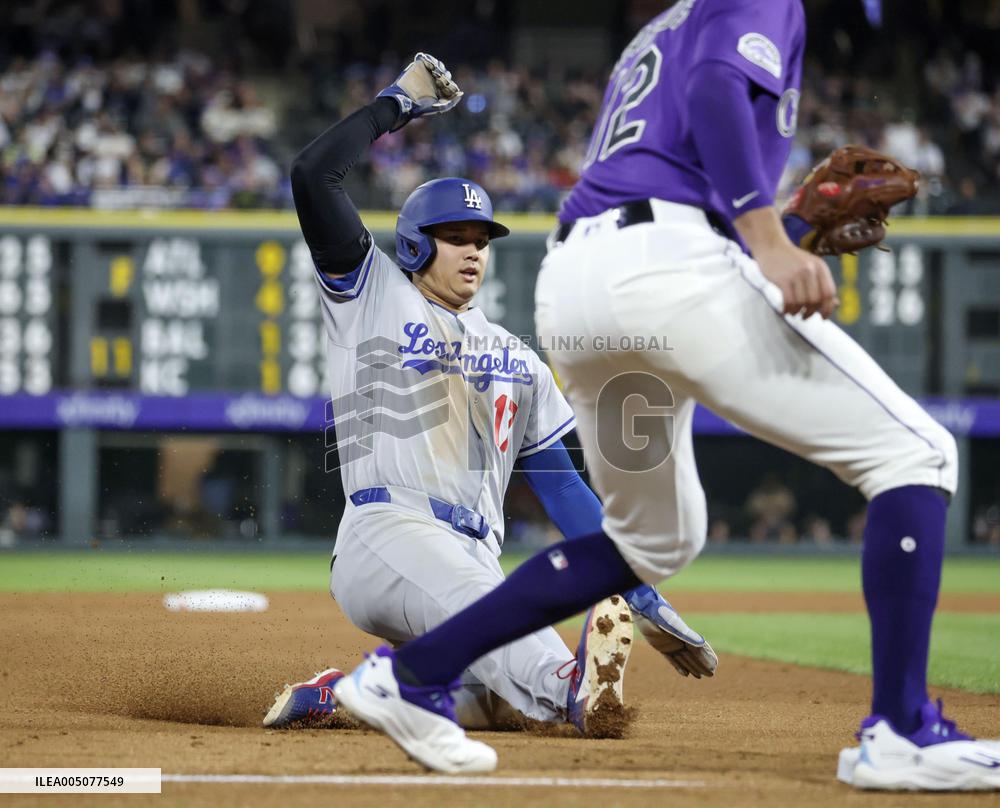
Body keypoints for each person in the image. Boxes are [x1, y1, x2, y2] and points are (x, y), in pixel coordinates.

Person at [332, 7, 1000, 790]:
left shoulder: (663, 26)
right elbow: (717, 92)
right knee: (916, 453)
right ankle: (902, 729)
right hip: (664, 270)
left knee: (654, 541)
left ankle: (410, 676)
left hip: (584, 283)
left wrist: (775, 224)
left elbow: (658, 179)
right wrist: (772, 237)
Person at [265, 54, 716, 751]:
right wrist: (397, 103)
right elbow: (311, 175)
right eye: (456, 238)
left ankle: (350, 692)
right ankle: (574, 684)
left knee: (490, 701)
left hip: (476, 556)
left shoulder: (518, 359)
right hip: (386, 531)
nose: (473, 252)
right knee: (511, 637)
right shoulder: (371, 293)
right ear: (416, 243)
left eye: (481, 240)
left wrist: (642, 590)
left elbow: (564, 490)